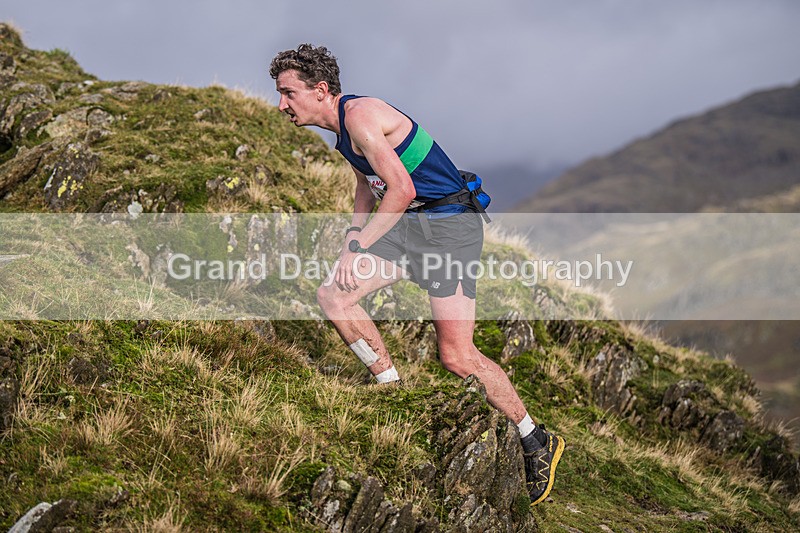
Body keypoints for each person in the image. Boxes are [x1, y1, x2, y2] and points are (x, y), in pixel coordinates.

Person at [269, 43, 565, 506]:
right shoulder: (343, 130)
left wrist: (361, 244)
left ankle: (534, 437)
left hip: (449, 228)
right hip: (410, 225)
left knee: (458, 356)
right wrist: (352, 238)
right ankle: (392, 391)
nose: (281, 104)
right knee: (335, 295)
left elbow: (401, 189)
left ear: (320, 90)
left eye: (288, 93)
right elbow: (367, 183)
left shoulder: (361, 117)